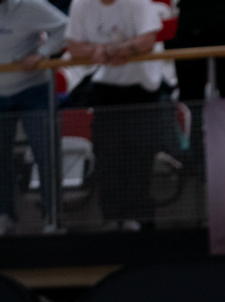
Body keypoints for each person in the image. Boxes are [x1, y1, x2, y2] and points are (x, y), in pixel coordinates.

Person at [0, 0, 67, 238]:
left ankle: (52, 216)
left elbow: (65, 28)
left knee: (46, 153)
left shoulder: (30, 4)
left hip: (34, 90)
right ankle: (4, 216)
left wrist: (42, 53)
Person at [65, 0, 162, 232]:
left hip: (141, 88)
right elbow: (73, 46)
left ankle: (139, 218)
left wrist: (113, 51)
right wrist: (98, 52)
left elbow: (147, 40)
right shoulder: (80, 4)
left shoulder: (139, 3)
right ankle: (112, 217)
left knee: (140, 155)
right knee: (106, 156)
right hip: (105, 88)